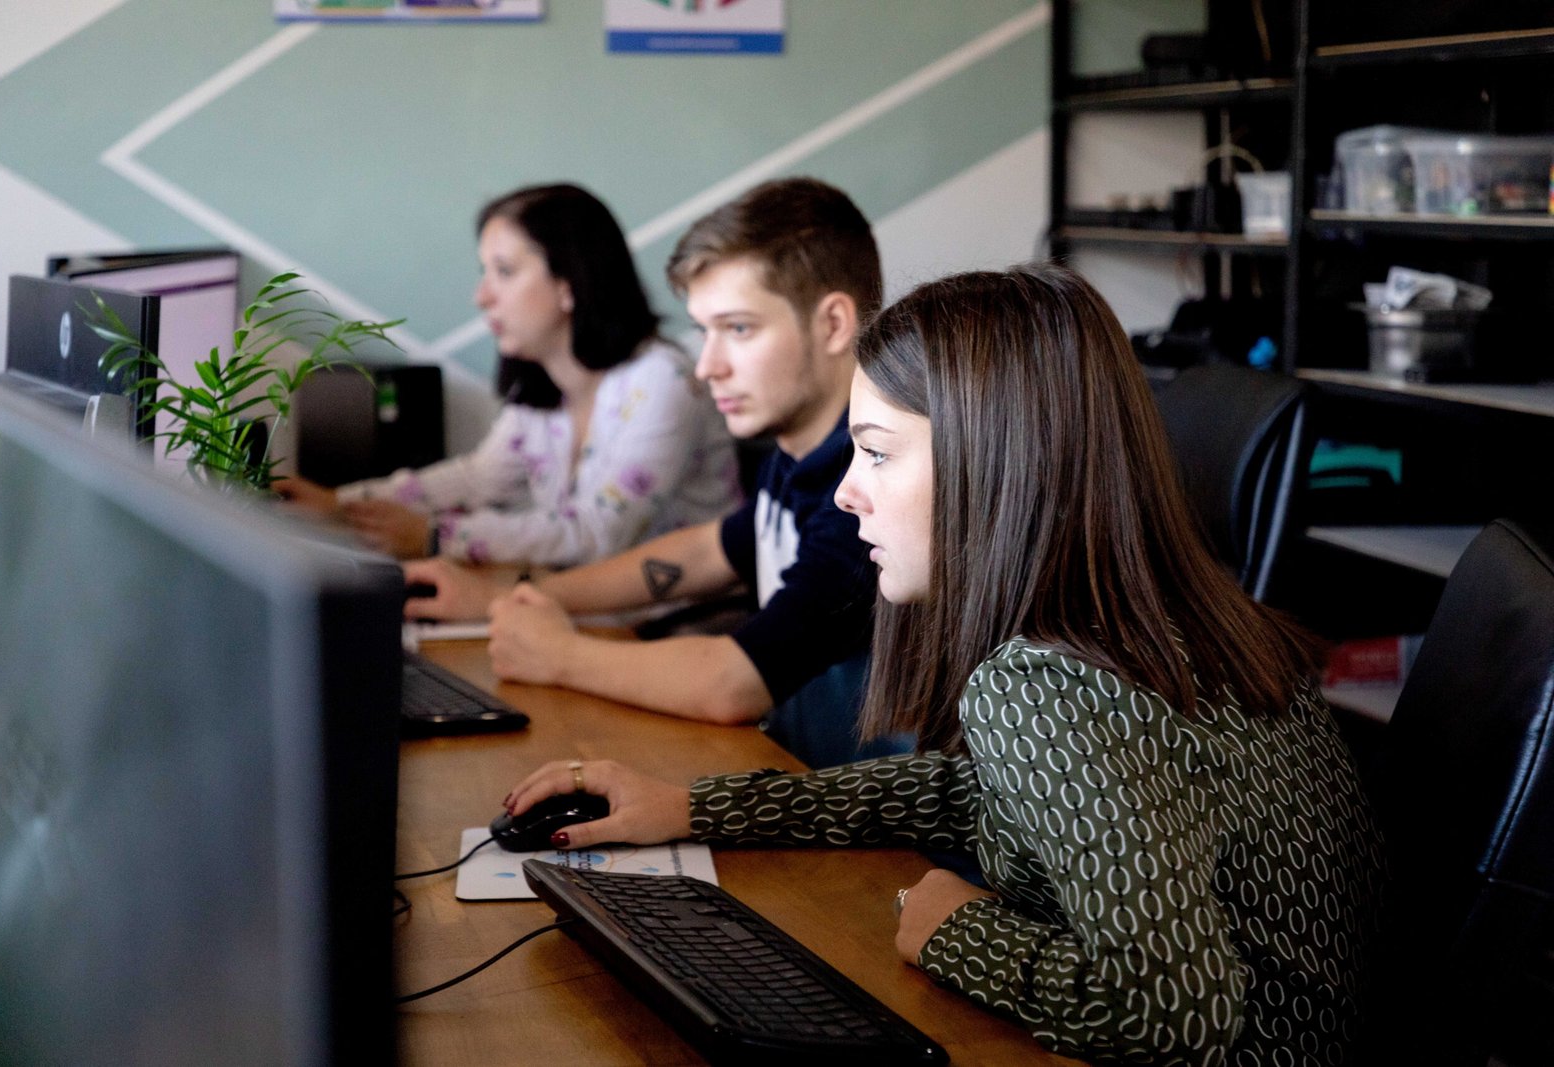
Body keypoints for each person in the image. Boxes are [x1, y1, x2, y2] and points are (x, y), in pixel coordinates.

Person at [500, 266, 1387, 1064]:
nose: (848, 490)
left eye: (878, 452)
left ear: (992, 464)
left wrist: (959, 930)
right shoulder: (1179, 619)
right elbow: (980, 793)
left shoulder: (1042, 683)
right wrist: (695, 806)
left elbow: (1175, 1016)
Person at [404, 177, 892, 766]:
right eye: (705, 331)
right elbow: (706, 553)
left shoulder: (870, 484)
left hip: (874, 837)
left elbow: (733, 682)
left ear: (834, 324)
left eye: (738, 329)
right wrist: (513, 597)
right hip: (795, 781)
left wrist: (558, 654)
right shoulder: (795, 456)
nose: (709, 366)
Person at [279, 183, 737, 566]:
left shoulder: (662, 380)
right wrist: (340, 504)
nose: (482, 296)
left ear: (568, 283)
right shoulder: (543, 384)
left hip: (673, 633)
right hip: (585, 615)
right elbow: (480, 478)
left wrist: (437, 537)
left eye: (505, 272)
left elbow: (599, 533)